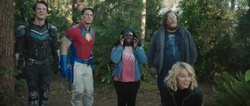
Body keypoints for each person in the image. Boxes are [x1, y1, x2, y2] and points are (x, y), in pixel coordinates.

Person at [147, 10, 197, 105]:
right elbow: (151, 51)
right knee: (166, 99)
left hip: (182, 74)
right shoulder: (158, 34)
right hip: (164, 73)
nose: (172, 19)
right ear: (166, 21)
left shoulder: (185, 33)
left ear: (177, 20)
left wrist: (189, 68)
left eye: (174, 17)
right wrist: (151, 66)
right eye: (170, 18)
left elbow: (193, 51)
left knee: (182, 99)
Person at [15, 1, 60, 106]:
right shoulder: (24, 29)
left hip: (46, 66)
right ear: (34, 11)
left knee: (45, 96)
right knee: (33, 96)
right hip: (31, 67)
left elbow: (55, 49)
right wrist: (19, 67)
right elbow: (18, 51)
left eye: (44, 9)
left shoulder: (51, 30)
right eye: (39, 9)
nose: (41, 11)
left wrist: (57, 62)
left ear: (47, 13)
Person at [60, 8, 95, 106]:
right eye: (87, 14)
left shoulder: (92, 33)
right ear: (82, 16)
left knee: (89, 91)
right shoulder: (73, 30)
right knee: (78, 91)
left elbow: (89, 48)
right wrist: (63, 64)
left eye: (91, 15)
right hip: (76, 64)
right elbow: (64, 46)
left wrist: (91, 64)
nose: (89, 17)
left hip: (87, 65)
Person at [110, 29, 148, 106]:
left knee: (132, 101)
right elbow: (114, 60)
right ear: (122, 37)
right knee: (121, 101)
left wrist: (136, 47)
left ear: (134, 37)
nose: (128, 37)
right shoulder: (116, 48)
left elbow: (143, 60)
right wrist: (120, 46)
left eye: (130, 35)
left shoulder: (138, 48)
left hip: (134, 81)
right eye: (126, 35)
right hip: (119, 80)